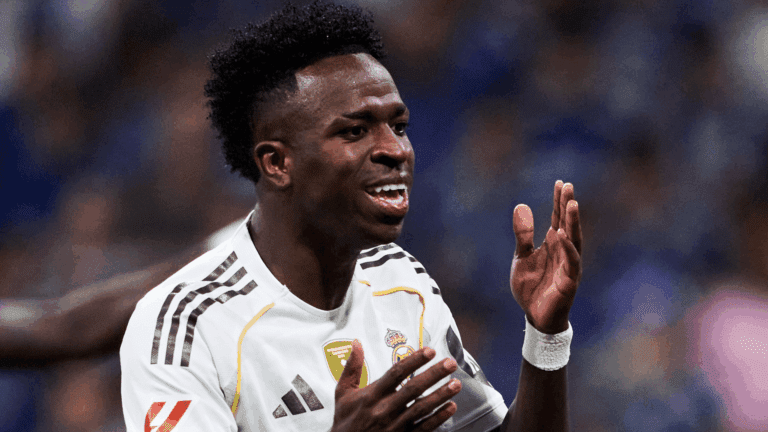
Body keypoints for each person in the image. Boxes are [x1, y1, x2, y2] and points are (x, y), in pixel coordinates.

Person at [120, 2, 583, 431]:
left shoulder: (400, 280)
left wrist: (546, 336)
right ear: (277, 163)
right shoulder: (184, 326)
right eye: (355, 131)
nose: (395, 150)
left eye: (398, 126)